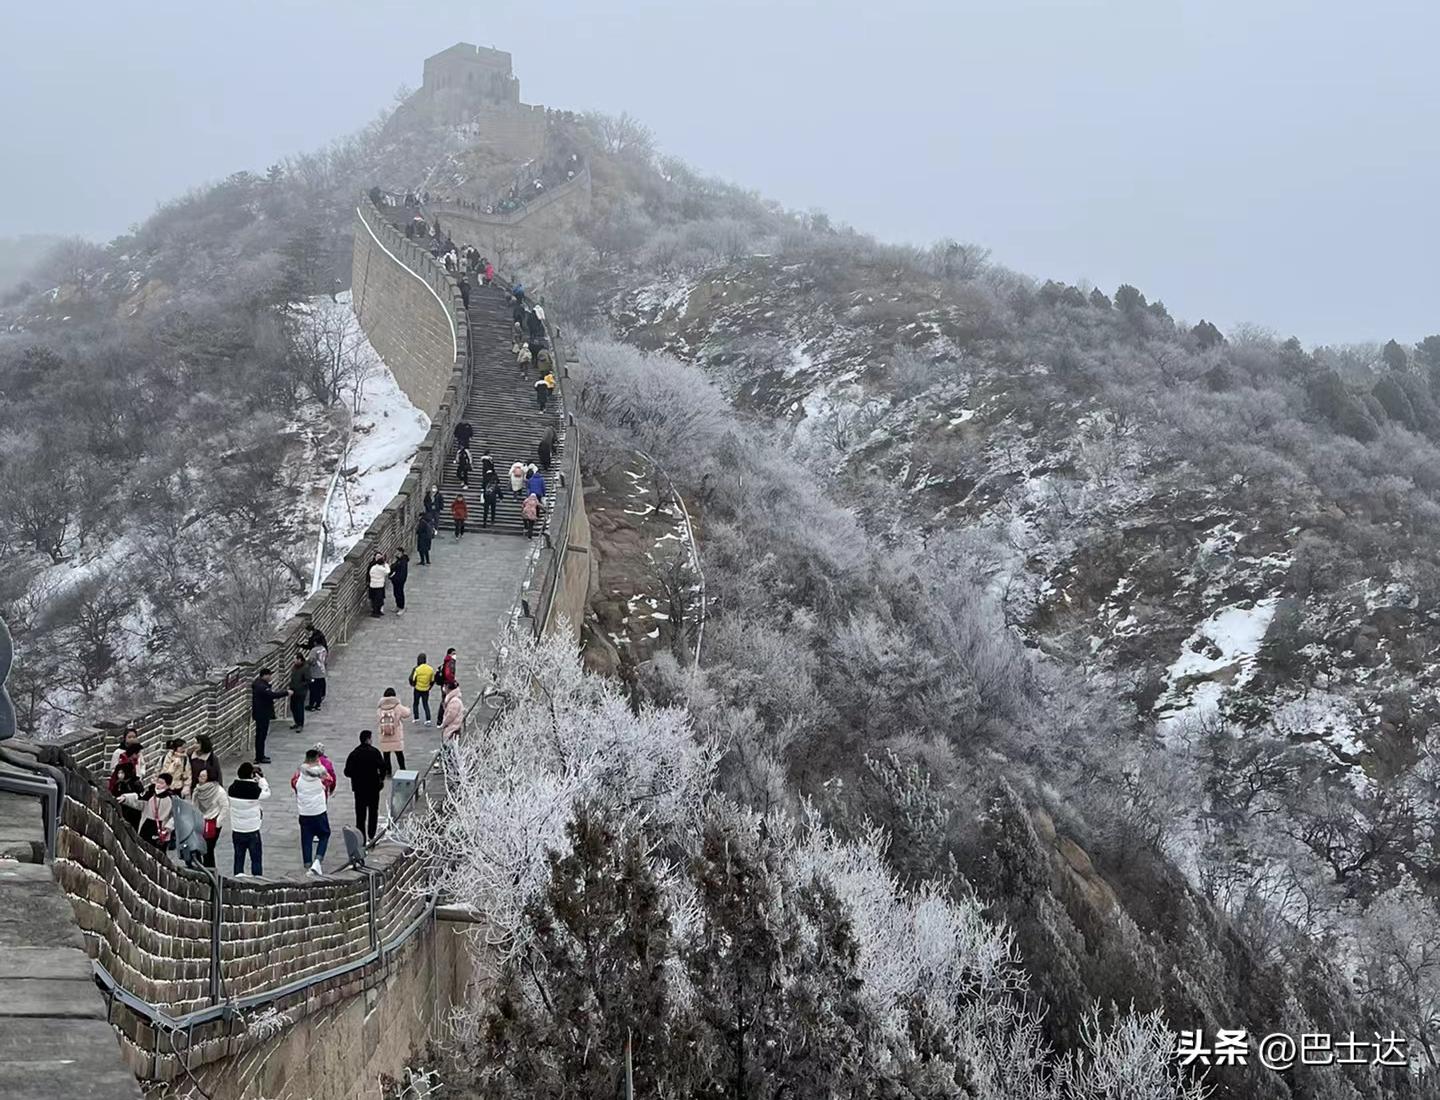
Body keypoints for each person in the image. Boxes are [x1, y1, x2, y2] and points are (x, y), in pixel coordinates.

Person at [292, 749, 334, 875]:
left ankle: (307, 863)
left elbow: (293, 785)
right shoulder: (321, 775)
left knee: (306, 838)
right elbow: (330, 781)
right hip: (319, 811)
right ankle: (318, 859)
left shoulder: (298, 775)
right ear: (317, 759)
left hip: (304, 812)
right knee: (324, 834)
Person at [344, 730, 387, 843]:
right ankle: (371, 836)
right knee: (373, 811)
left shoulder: (354, 754)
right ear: (368, 739)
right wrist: (380, 779)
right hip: (373, 788)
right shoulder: (375, 752)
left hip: (359, 789)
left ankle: (361, 838)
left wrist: (356, 775)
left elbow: (347, 772)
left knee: (360, 814)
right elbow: (383, 768)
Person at [228, 763, 269, 875]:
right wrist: (262, 780)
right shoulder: (254, 790)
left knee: (238, 858)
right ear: (251, 774)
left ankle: (237, 879)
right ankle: (257, 881)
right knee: (256, 859)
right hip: (252, 829)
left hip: (237, 829)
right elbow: (267, 793)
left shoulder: (232, 788)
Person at [118, 773, 176, 852]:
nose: (158, 785)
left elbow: (175, 816)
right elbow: (139, 801)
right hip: (146, 825)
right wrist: (126, 799)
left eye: (162, 783)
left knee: (159, 853)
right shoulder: (149, 794)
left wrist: (168, 828)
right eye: (158, 782)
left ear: (168, 785)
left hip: (162, 830)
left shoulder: (172, 799)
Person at [191, 767, 229, 869]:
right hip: (199, 822)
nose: (200, 778)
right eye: (199, 776)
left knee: (208, 850)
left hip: (212, 823)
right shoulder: (197, 790)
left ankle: (210, 872)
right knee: (196, 847)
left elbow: (225, 807)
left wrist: (218, 822)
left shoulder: (219, 791)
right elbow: (194, 805)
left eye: (203, 776)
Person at [250, 668, 287, 764]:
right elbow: (272, 695)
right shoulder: (261, 686)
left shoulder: (259, 684)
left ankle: (260, 755)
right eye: (269, 675)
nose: (271, 677)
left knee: (261, 736)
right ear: (264, 675)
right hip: (262, 714)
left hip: (261, 714)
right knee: (261, 736)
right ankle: (259, 757)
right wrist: (286, 693)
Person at [376, 688, 412, 776]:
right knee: (399, 753)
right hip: (396, 734)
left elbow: (378, 719)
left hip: (384, 734)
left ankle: (388, 771)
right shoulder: (397, 706)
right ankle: (402, 768)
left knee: (386, 754)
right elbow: (407, 713)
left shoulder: (380, 708)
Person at [108, 757, 145, 830]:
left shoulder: (135, 783)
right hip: (122, 810)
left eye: (122, 773)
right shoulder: (119, 784)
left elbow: (140, 797)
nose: (120, 775)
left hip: (134, 811)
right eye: (118, 773)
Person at [409, 653, 436, 726]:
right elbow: (432, 680)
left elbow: (412, 679)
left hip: (417, 689)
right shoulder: (430, 669)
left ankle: (416, 718)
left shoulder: (417, 669)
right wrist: (429, 687)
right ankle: (428, 719)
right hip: (426, 689)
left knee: (416, 703)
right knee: (425, 704)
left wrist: (413, 685)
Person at [306, 629, 329, 711]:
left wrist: (306, 662)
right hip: (322, 672)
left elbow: (311, 661)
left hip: (314, 673)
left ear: (315, 642)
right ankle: (318, 705)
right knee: (319, 690)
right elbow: (325, 660)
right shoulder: (323, 649)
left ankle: (311, 705)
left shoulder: (314, 650)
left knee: (313, 690)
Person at [288, 654, 310, 730]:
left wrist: (299, 686)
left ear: (300, 659)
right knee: (293, 707)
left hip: (301, 692)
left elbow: (308, 680)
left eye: (295, 659)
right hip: (293, 691)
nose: (294, 661)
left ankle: (300, 724)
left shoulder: (305, 668)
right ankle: (296, 722)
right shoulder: (294, 667)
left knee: (299, 707)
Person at [391, 549, 410, 615]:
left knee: (399, 593)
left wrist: (396, 578)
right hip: (395, 580)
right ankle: (398, 606)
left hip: (399, 580)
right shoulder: (398, 560)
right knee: (395, 593)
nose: (396, 553)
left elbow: (402, 572)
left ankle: (402, 607)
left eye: (397, 552)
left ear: (401, 552)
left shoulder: (403, 561)